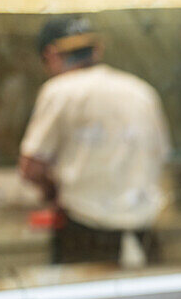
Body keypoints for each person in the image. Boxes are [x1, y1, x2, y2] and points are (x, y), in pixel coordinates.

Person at [19, 16, 171, 266]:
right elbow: (161, 155)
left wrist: (52, 190)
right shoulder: (140, 91)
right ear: (97, 50)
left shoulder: (58, 91)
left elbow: (31, 167)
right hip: (144, 233)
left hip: (85, 234)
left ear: (51, 54)